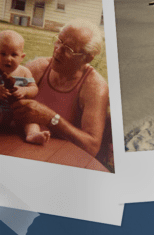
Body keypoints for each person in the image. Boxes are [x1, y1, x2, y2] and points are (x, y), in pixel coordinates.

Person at [11, 19, 110, 158]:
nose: (58, 49)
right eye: (59, 40)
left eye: (68, 49)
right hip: (18, 146)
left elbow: (92, 146)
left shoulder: (94, 87)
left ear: (87, 58)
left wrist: (51, 118)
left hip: (60, 157)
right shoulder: (38, 68)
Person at [0, 30, 50, 144]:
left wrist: (25, 90)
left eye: (14, 54)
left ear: (21, 57)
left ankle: (32, 134)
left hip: (18, 111)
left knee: (31, 120)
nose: (8, 58)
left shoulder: (24, 72)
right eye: (3, 53)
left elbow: (34, 89)